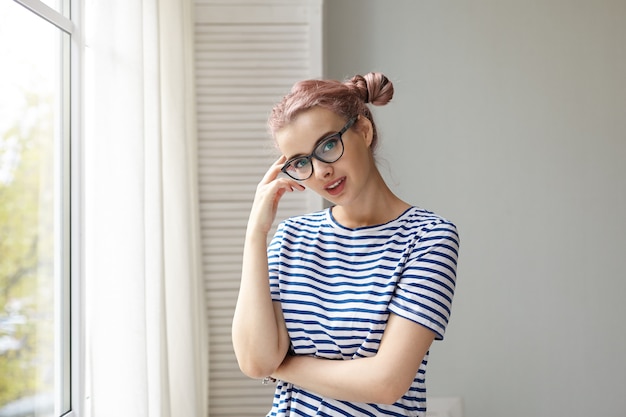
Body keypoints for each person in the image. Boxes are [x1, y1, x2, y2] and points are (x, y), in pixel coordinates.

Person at [232, 72, 460, 417]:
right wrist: (255, 233)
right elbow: (253, 360)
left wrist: (281, 367)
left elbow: (386, 383)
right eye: (301, 162)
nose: (320, 171)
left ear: (364, 131)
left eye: (327, 145)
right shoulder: (292, 237)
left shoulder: (428, 238)